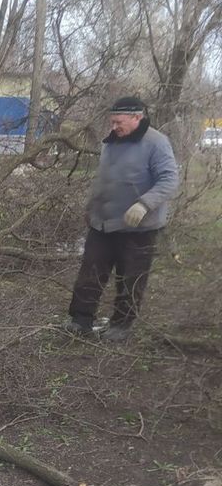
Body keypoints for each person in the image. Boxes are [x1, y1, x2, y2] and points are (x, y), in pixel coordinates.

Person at [64, 96, 178, 341]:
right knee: (90, 273)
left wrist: (144, 204)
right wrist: (92, 207)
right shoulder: (111, 142)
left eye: (119, 122)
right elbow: (104, 179)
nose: (114, 126)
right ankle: (80, 320)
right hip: (102, 223)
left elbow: (169, 180)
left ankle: (121, 325)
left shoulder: (156, 143)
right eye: (112, 121)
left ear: (138, 117)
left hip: (139, 228)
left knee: (131, 278)